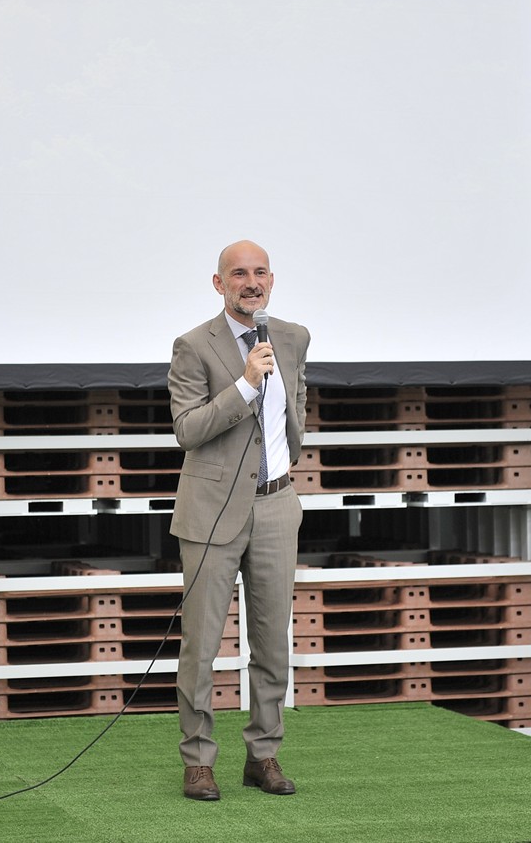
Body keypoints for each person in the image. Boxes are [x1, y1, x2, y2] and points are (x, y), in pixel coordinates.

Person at [167, 239, 309, 801]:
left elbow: (295, 404)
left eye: (261, 273)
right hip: (211, 512)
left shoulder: (292, 337)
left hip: (276, 505)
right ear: (219, 283)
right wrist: (246, 382)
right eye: (240, 274)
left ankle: (263, 755)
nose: (252, 283)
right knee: (201, 647)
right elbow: (188, 430)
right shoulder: (192, 345)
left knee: (272, 644)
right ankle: (198, 761)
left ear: (271, 280)